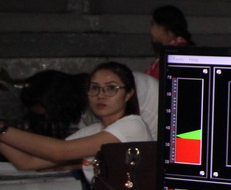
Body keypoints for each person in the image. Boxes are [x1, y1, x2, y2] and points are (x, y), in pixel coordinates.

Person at [0, 62, 153, 173]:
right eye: (94, 88)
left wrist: (3, 129)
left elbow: (60, 152)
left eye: (111, 88)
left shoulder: (132, 125)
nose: (101, 95)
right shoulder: (94, 130)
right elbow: (27, 162)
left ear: (128, 94)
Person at [145, 4, 194, 78]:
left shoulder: (175, 54)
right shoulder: (175, 51)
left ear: (166, 28)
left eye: (153, 24)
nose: (151, 29)